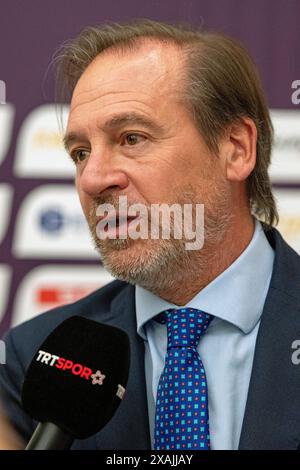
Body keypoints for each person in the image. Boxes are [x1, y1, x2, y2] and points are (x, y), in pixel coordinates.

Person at [0, 19, 300, 450]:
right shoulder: (31, 360)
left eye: (132, 137)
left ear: (236, 148)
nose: (93, 179)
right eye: (80, 153)